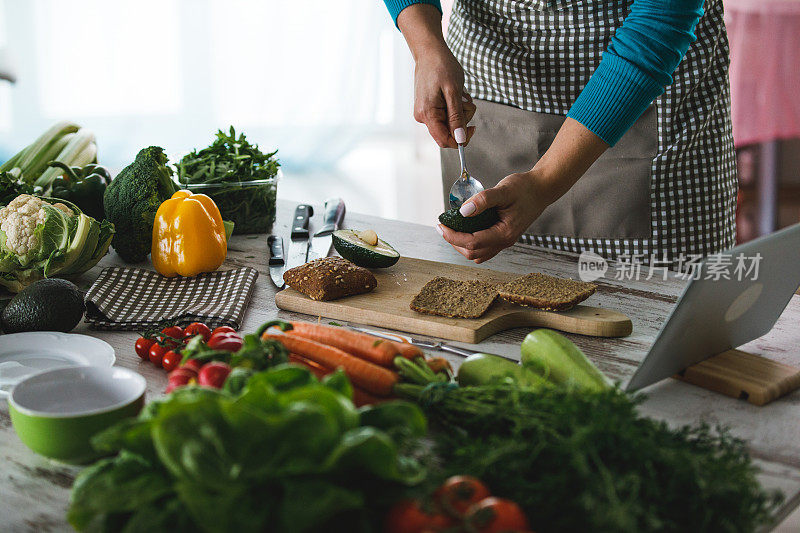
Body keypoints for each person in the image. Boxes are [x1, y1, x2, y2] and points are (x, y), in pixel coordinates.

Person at [382, 0, 736, 269]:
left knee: (661, 332)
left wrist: (543, 182)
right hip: (491, 78)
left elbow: (662, 17)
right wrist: (425, 46)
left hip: (645, 93)